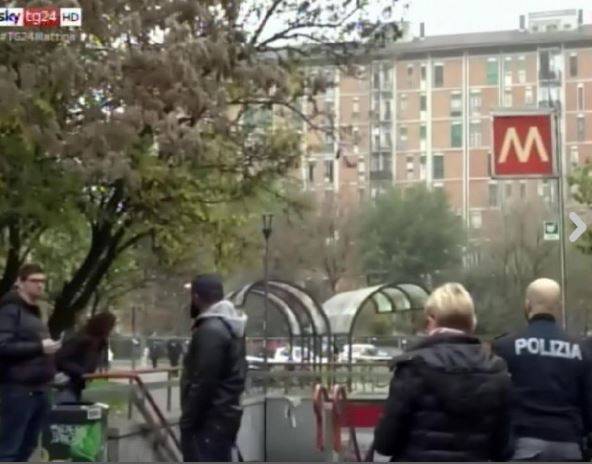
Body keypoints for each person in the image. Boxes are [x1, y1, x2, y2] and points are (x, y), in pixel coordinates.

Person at [373, 283, 512, 461]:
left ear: (432, 319)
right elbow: (502, 448)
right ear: (472, 321)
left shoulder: (413, 367)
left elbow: (385, 444)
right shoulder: (496, 369)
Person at [492, 278, 592, 461]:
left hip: (523, 445)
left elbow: (496, 400)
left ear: (527, 304)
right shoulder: (581, 350)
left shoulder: (505, 346)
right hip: (569, 445)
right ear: (559, 307)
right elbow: (588, 402)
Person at [180, 274, 248, 462]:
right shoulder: (229, 326)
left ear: (196, 297)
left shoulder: (210, 330)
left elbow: (204, 380)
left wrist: (188, 421)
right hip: (223, 417)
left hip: (208, 421)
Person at [0, 263, 61, 462]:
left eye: (43, 281)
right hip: (19, 388)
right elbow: (3, 346)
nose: (40, 285)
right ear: (20, 282)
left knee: (29, 444)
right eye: (34, 281)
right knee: (10, 447)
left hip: (41, 387)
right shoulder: (10, 310)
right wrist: (39, 347)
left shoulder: (33, 312)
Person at [54, 312, 116, 403]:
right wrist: (80, 372)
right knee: (67, 408)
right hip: (68, 385)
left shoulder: (99, 343)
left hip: (80, 386)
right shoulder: (82, 340)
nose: (113, 330)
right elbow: (59, 358)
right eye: (112, 326)